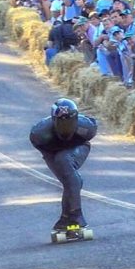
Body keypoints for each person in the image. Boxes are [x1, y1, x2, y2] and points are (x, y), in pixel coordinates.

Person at [29, 99, 97, 231]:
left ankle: (76, 214)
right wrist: (53, 156)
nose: (66, 127)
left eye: (70, 122)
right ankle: (66, 217)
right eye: (62, 123)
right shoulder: (40, 134)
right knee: (70, 180)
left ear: (76, 119)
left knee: (64, 161)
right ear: (54, 121)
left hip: (78, 147)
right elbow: (39, 145)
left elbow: (88, 138)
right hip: (51, 152)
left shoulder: (87, 128)